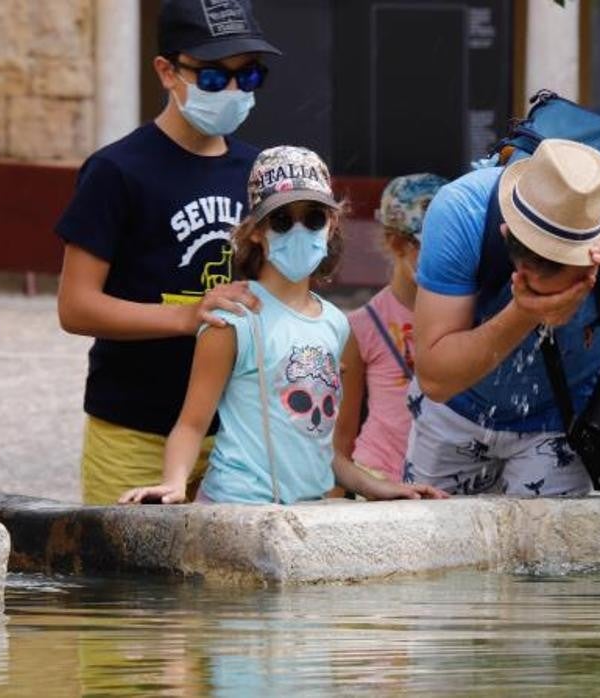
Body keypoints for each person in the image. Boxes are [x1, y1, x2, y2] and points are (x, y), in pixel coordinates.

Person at [119, 147, 448, 505]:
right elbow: (192, 423)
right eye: (281, 220)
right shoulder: (232, 319)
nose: (298, 229)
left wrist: (377, 486)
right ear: (257, 231)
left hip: (306, 516)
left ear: (332, 223)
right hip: (236, 509)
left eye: (313, 218)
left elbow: (319, 447)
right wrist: (174, 482)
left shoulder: (336, 324)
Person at [55, 0, 279, 504]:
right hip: (135, 429)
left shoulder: (258, 171)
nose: (234, 91)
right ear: (166, 71)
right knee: (124, 583)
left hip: (236, 432)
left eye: (248, 78)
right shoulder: (116, 171)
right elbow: (76, 307)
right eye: (214, 79)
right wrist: (187, 318)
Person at [406, 138, 600, 496]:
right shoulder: (463, 211)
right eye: (531, 284)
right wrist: (523, 313)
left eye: (570, 285)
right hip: (456, 410)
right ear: (507, 235)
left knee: (546, 550)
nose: (551, 298)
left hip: (563, 420)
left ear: (595, 259)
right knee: (437, 547)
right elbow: (435, 380)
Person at [335, 174, 449, 481]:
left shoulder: (465, 313)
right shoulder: (361, 325)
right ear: (396, 242)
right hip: (378, 475)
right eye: (432, 245)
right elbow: (342, 435)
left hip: (446, 476)